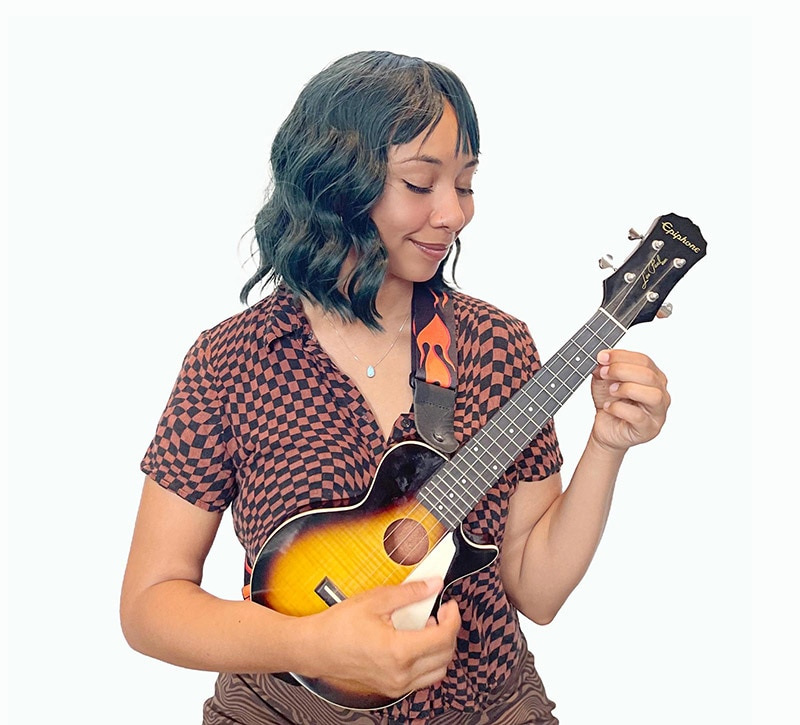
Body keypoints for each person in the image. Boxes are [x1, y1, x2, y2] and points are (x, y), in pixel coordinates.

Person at [120, 50, 671, 725]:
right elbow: (150, 602)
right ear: (335, 185)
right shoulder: (229, 363)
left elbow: (539, 588)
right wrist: (310, 642)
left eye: (465, 184)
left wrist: (607, 445)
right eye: (420, 183)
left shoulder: (497, 346)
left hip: (484, 710)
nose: (454, 214)